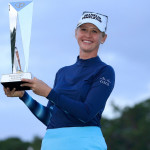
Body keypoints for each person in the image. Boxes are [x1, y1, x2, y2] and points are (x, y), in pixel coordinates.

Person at [4, 11, 115, 150]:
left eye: (94, 31)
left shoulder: (105, 71)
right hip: (52, 144)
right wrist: (24, 96)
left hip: (86, 144)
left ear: (103, 38)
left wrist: (49, 93)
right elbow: (50, 119)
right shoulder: (62, 72)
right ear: (76, 33)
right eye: (84, 29)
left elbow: (86, 113)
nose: (88, 35)